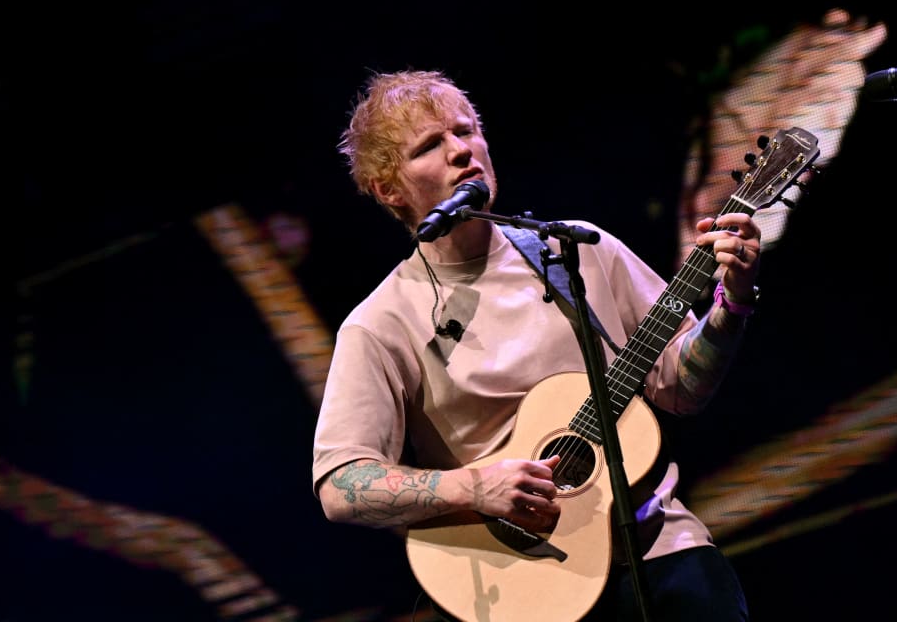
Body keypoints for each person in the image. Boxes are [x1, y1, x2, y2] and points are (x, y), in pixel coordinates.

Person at [311, 69, 762, 621]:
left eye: (466, 130)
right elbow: (342, 485)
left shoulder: (575, 249)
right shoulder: (381, 324)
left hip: (661, 548)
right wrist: (474, 487)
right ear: (388, 188)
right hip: (525, 587)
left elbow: (682, 389)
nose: (462, 150)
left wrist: (731, 306)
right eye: (431, 145)